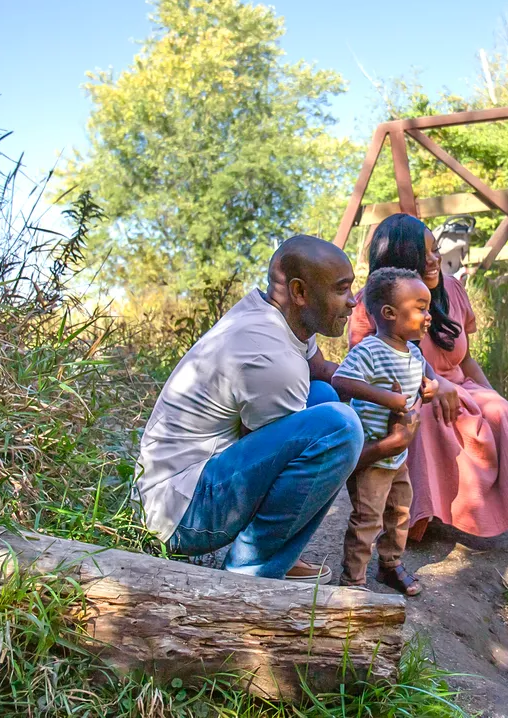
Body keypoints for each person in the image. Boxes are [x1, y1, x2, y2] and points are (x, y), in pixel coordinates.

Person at [135, 235, 364, 581]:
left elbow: (321, 373)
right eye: (341, 290)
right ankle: (249, 574)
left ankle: (280, 553)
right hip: (180, 516)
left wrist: (378, 389)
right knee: (340, 430)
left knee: (323, 399)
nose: (353, 302)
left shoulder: (282, 316)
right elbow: (274, 461)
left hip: (186, 483)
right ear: (301, 293)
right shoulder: (271, 356)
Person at [350, 214, 508, 540]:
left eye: (435, 250)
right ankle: (416, 518)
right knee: (428, 416)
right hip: (404, 394)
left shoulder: (452, 289)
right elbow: (370, 371)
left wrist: (490, 394)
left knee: (498, 411)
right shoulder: (368, 304)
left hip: (459, 385)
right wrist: (432, 386)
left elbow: (465, 359)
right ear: (398, 261)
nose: (434, 259)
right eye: (422, 254)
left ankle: (495, 508)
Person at [332, 268, 439, 595]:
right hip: (374, 456)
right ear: (390, 313)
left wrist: (432, 384)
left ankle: (389, 565)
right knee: (368, 520)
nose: (428, 316)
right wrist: (386, 398)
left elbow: (427, 372)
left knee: (400, 513)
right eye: (420, 308)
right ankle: (353, 583)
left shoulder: (414, 350)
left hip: (398, 457)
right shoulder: (370, 350)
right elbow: (341, 381)